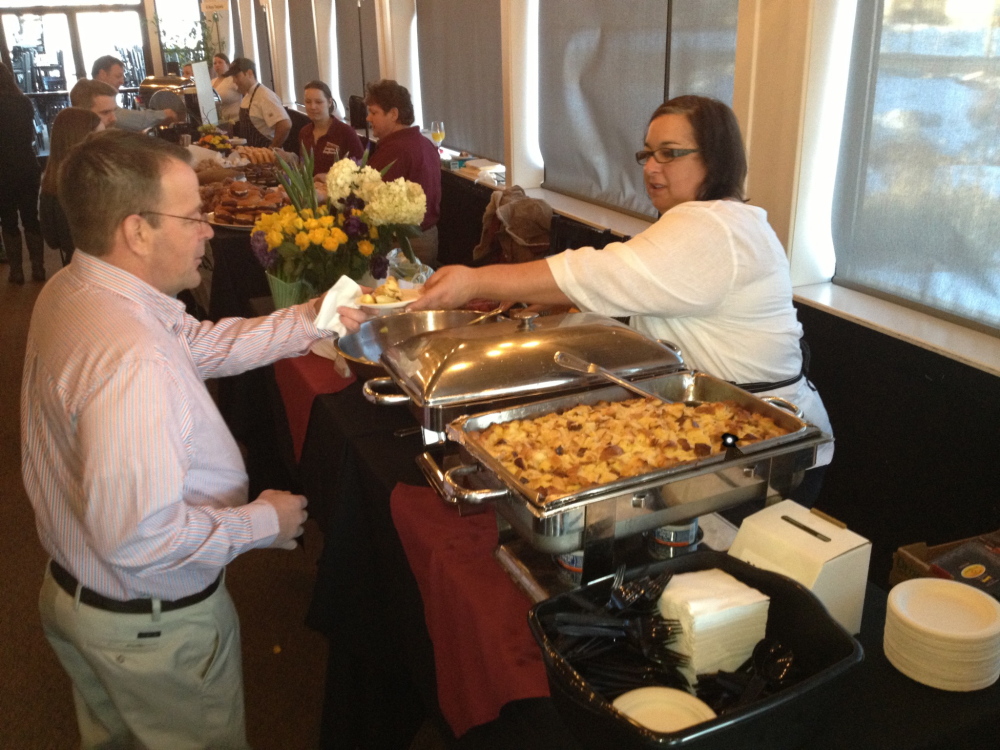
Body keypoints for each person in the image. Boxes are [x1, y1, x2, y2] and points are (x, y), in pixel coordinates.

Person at [22, 130, 324, 748]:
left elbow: (196, 345)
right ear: (137, 230)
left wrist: (318, 317)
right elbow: (140, 538)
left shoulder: (78, 288)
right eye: (191, 216)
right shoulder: (133, 362)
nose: (208, 229)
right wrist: (264, 522)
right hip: (145, 628)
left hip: (79, 594)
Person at [401, 95, 834, 502]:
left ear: (715, 159)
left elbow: (603, 272)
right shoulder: (710, 221)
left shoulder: (713, 227)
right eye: (647, 153)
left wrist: (475, 282)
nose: (651, 167)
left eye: (670, 152)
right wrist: (561, 303)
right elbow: (641, 285)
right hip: (713, 421)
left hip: (759, 438)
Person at [364, 79, 441, 265]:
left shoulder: (396, 150)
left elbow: (369, 196)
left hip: (405, 244)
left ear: (393, 114)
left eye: (374, 113)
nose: (368, 118)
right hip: (428, 237)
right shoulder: (424, 143)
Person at [39, 107, 104, 267]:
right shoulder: (103, 184)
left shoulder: (50, 184)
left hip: (74, 265)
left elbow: (52, 241)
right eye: (101, 137)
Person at [0, 61, 44, 284]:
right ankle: (39, 268)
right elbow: (30, 135)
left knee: (7, 220)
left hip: (2, 170)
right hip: (27, 164)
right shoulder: (23, 101)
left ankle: (16, 271)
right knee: (30, 218)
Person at [91, 55, 178, 131]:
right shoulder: (93, 94)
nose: (122, 81)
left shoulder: (104, 95)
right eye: (118, 76)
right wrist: (163, 114)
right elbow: (120, 117)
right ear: (102, 74)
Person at [299, 79, 364, 176]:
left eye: (318, 102)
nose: (313, 107)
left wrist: (330, 177)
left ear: (329, 102)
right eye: (308, 102)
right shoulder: (304, 132)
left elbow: (361, 169)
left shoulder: (345, 132)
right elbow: (303, 167)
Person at [223, 57, 290, 148]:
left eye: (236, 76)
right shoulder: (247, 95)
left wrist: (273, 148)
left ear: (249, 73)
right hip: (252, 152)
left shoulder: (264, 95)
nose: (234, 81)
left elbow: (285, 125)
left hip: (265, 156)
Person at [211, 52, 241, 125]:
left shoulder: (233, 80)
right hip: (220, 122)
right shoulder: (212, 82)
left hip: (235, 121)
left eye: (220, 62)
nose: (217, 65)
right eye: (215, 63)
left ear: (227, 64)